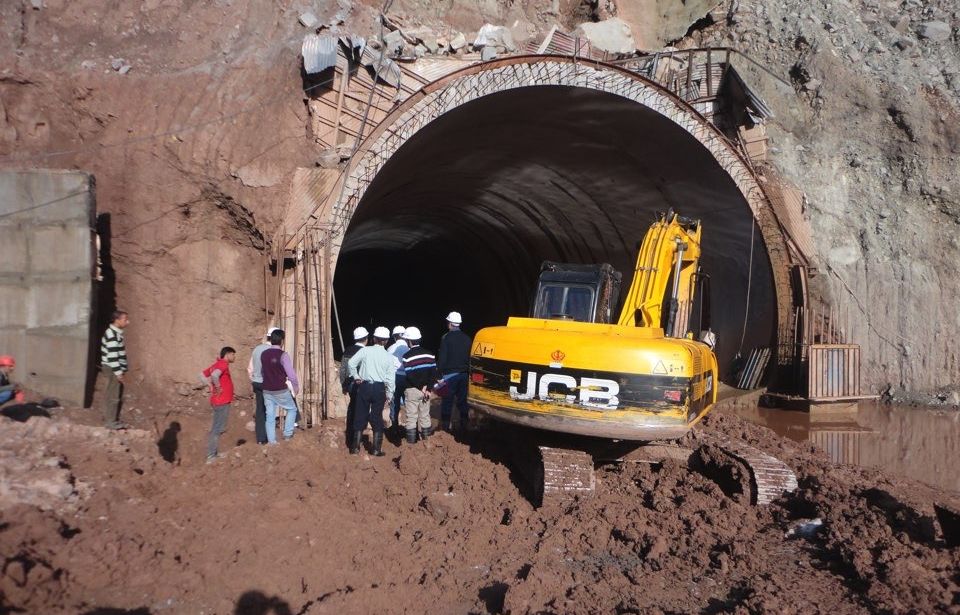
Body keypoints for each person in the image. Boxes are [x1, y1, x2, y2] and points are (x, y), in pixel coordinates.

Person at [346, 326, 398, 456]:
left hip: (364, 386)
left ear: (374, 338)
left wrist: (356, 377)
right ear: (386, 341)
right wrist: (390, 394)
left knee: (360, 414)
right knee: (376, 417)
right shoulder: (388, 357)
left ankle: (355, 448)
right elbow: (391, 379)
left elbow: (351, 363)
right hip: (379, 389)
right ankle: (376, 449)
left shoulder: (365, 351)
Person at [260, 329, 300, 444]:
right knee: (292, 409)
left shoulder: (264, 354)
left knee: (270, 416)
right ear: (282, 341)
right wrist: (296, 388)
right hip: (280, 389)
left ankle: (272, 442)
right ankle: (287, 435)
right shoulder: (283, 355)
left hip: (266, 390)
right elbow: (291, 375)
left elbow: (263, 371)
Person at [399, 327, 437, 444]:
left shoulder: (406, 356)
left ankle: (411, 446)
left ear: (409, 341)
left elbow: (410, 375)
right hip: (426, 391)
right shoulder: (430, 355)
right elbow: (433, 373)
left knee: (411, 418)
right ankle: (426, 442)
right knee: (425, 416)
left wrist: (421, 387)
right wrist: (428, 388)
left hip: (413, 390)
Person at [200, 347, 236, 463]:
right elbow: (215, 376)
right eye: (233, 355)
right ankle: (211, 455)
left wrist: (210, 386)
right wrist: (218, 387)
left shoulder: (216, 364)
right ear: (227, 354)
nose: (234, 357)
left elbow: (201, 375)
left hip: (217, 401)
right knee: (217, 428)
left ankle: (213, 453)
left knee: (217, 427)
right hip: (222, 401)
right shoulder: (223, 364)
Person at [438, 311, 471, 432]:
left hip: (450, 376)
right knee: (462, 401)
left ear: (450, 323)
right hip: (463, 375)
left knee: (447, 401)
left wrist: (438, 373)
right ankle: (464, 425)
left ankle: (445, 428)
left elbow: (442, 358)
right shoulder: (467, 339)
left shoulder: (446, 338)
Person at [247, 328, 278, 445]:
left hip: (257, 383)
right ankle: (271, 438)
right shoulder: (272, 351)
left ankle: (261, 438)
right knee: (270, 410)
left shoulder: (257, 349)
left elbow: (250, 368)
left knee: (260, 410)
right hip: (268, 384)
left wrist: (254, 379)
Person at [100, 310, 130, 429]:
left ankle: (109, 418)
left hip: (113, 368)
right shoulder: (112, 335)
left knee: (111, 393)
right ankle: (110, 422)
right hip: (112, 369)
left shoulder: (115, 333)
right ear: (117, 320)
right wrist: (118, 373)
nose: (127, 322)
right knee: (113, 395)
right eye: (125, 319)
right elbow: (112, 357)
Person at [339, 326, 369, 444]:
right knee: (362, 409)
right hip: (363, 385)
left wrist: (344, 385)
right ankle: (357, 438)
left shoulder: (348, 350)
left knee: (352, 407)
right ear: (366, 339)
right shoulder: (367, 352)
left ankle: (350, 435)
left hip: (351, 385)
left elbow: (343, 370)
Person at [386, 325, 409, 433]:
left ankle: (394, 427)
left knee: (394, 402)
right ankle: (411, 429)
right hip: (408, 378)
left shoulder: (390, 348)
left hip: (394, 377)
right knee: (409, 403)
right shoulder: (409, 349)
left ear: (394, 337)